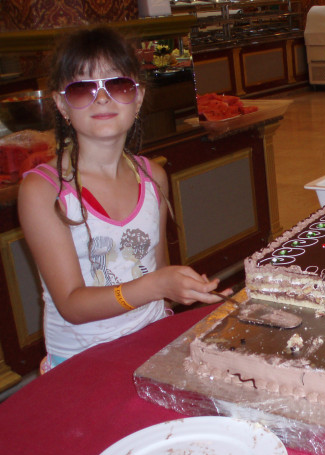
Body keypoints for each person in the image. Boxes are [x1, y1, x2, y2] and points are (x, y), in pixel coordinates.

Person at [18, 26, 225, 373]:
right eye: (83, 88)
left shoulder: (153, 177)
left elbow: (156, 270)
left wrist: (183, 288)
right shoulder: (43, 191)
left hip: (153, 342)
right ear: (62, 104)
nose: (102, 98)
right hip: (83, 363)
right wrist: (156, 285)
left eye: (117, 85)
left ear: (138, 98)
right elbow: (71, 304)